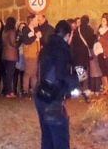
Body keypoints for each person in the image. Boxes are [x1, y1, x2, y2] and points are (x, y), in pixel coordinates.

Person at [35, 20, 78, 149]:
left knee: (47, 137)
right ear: (67, 35)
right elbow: (61, 75)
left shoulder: (46, 47)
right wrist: (76, 84)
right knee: (60, 139)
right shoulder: (62, 50)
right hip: (54, 98)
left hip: (41, 95)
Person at [22, 16, 42, 96]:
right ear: (31, 21)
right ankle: (25, 90)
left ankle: (34, 89)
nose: (37, 21)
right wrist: (35, 36)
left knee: (34, 73)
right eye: (36, 20)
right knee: (28, 73)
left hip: (35, 54)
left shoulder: (35, 29)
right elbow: (27, 41)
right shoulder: (26, 29)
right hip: (29, 54)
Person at [1, 16, 20, 98]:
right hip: (11, 56)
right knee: (10, 75)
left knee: (7, 74)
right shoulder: (12, 31)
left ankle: (7, 91)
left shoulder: (4, 31)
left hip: (5, 55)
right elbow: (13, 43)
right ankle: (9, 92)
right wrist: (19, 41)